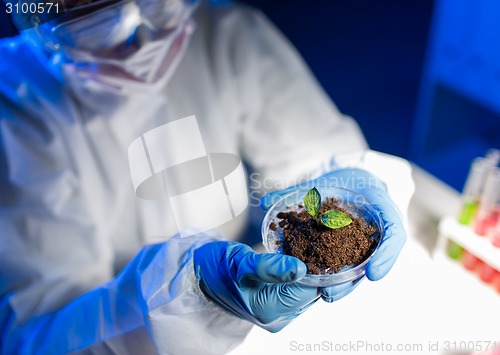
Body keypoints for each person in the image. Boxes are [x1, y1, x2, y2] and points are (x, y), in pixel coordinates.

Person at [0, 0, 413, 354]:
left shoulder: (230, 34)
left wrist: (357, 181)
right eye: (93, 15)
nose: (139, 38)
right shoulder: (13, 108)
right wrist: (192, 293)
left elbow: (318, 161)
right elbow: (37, 334)